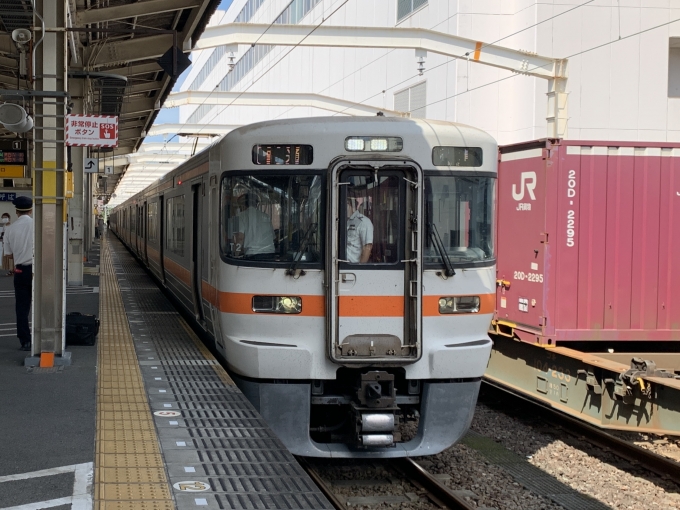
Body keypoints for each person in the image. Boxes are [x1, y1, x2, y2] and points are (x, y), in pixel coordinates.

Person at [3, 196, 34, 351]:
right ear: (31, 209)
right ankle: (45, 338)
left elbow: (8, 254)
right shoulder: (37, 225)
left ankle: (25, 341)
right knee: (44, 303)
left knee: (22, 308)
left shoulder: (10, 229)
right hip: (38, 271)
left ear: (16, 211)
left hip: (21, 270)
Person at [232, 192, 275, 256]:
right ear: (256, 204)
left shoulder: (240, 216)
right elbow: (273, 237)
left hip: (253, 254)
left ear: (243, 204)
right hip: (270, 254)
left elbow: (240, 238)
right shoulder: (266, 216)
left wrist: (236, 254)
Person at [346, 194, 373, 263]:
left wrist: (359, 269)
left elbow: (367, 247)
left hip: (352, 266)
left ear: (349, 204)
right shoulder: (343, 221)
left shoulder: (364, 222)